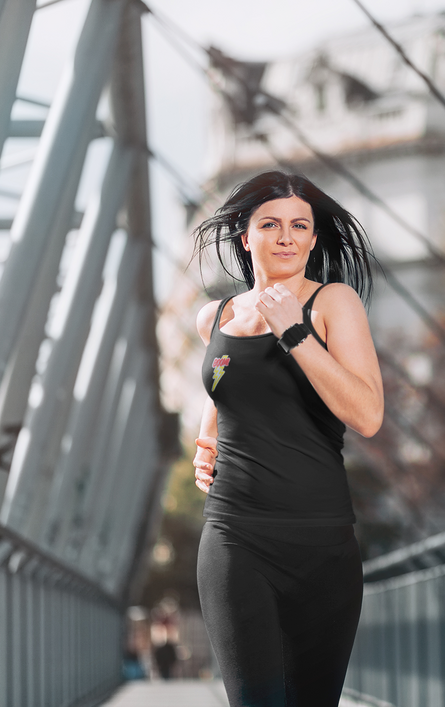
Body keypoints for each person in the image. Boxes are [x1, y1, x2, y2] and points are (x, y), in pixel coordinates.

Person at [190, 170, 383, 706]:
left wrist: (293, 333)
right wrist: (205, 447)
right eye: (270, 224)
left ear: (314, 237)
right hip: (236, 535)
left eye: (300, 226)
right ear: (244, 235)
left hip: (322, 542)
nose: (286, 237)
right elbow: (225, 390)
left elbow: (367, 414)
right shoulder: (217, 317)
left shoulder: (332, 304)